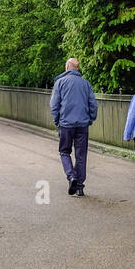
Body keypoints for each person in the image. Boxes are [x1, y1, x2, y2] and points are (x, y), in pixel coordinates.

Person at [50, 58, 98, 197]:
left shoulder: (60, 83)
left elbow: (54, 105)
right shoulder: (85, 83)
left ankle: (71, 176)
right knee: (81, 155)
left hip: (66, 124)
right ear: (77, 68)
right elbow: (93, 104)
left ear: (67, 67)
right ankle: (79, 188)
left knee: (64, 152)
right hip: (82, 124)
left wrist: (57, 121)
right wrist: (90, 119)